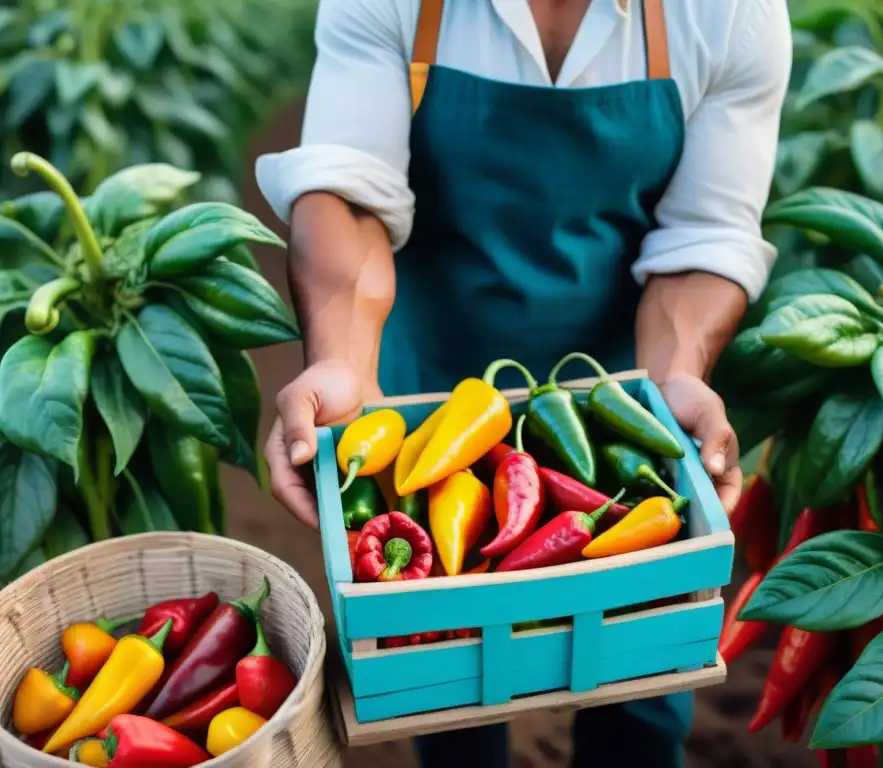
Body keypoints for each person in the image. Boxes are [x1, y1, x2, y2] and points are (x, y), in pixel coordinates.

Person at [256, 0, 791, 765]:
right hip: (432, 409)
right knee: (449, 672)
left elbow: (705, 235)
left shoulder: (727, 12)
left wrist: (672, 377)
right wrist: (342, 360)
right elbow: (349, 187)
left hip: (616, 414)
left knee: (639, 679)